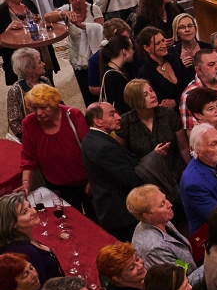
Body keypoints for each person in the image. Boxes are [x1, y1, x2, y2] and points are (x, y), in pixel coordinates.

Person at [19, 84, 91, 212]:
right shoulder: (29, 123)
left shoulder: (73, 115)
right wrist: (26, 183)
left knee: (94, 218)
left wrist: (93, 180)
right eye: (34, 108)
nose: (38, 113)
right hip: (56, 186)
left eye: (43, 107)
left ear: (55, 104)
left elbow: (91, 151)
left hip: (86, 182)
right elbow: (28, 157)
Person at [81, 101, 142, 239]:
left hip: (110, 212)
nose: (119, 117)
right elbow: (130, 179)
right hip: (121, 216)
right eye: (112, 114)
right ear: (98, 121)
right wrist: (152, 160)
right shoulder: (104, 147)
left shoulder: (89, 138)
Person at [129, 185, 201, 284]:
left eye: (165, 199)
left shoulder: (160, 220)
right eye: (162, 204)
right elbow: (179, 285)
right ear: (147, 215)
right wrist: (210, 265)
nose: (170, 204)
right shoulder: (154, 248)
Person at [120, 78, 186, 180]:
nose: (153, 95)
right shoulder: (126, 121)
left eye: (151, 90)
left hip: (175, 173)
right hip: (145, 177)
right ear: (135, 99)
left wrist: (190, 169)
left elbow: (183, 147)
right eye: (145, 95)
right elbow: (121, 154)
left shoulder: (169, 114)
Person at [0, 193, 64, 283]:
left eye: (30, 206)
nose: (34, 211)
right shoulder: (24, 251)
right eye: (25, 212)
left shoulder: (24, 237)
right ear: (13, 223)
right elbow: (40, 285)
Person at [62, 0, 107, 105]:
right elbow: (47, 17)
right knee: (85, 91)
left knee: (100, 89)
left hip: (96, 57)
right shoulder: (67, 9)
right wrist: (63, 13)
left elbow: (100, 29)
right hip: (77, 57)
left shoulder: (94, 9)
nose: (77, 0)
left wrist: (80, 25)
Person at [136, 26, 192, 109]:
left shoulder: (174, 59)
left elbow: (190, 84)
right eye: (158, 43)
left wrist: (176, 101)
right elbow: (158, 101)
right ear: (147, 48)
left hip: (189, 104)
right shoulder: (145, 73)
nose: (163, 45)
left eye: (163, 40)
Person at [7, 48, 52, 139]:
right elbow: (15, 124)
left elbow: (57, 103)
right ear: (29, 69)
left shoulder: (45, 81)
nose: (43, 64)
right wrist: (34, 136)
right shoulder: (16, 90)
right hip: (34, 137)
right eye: (39, 62)